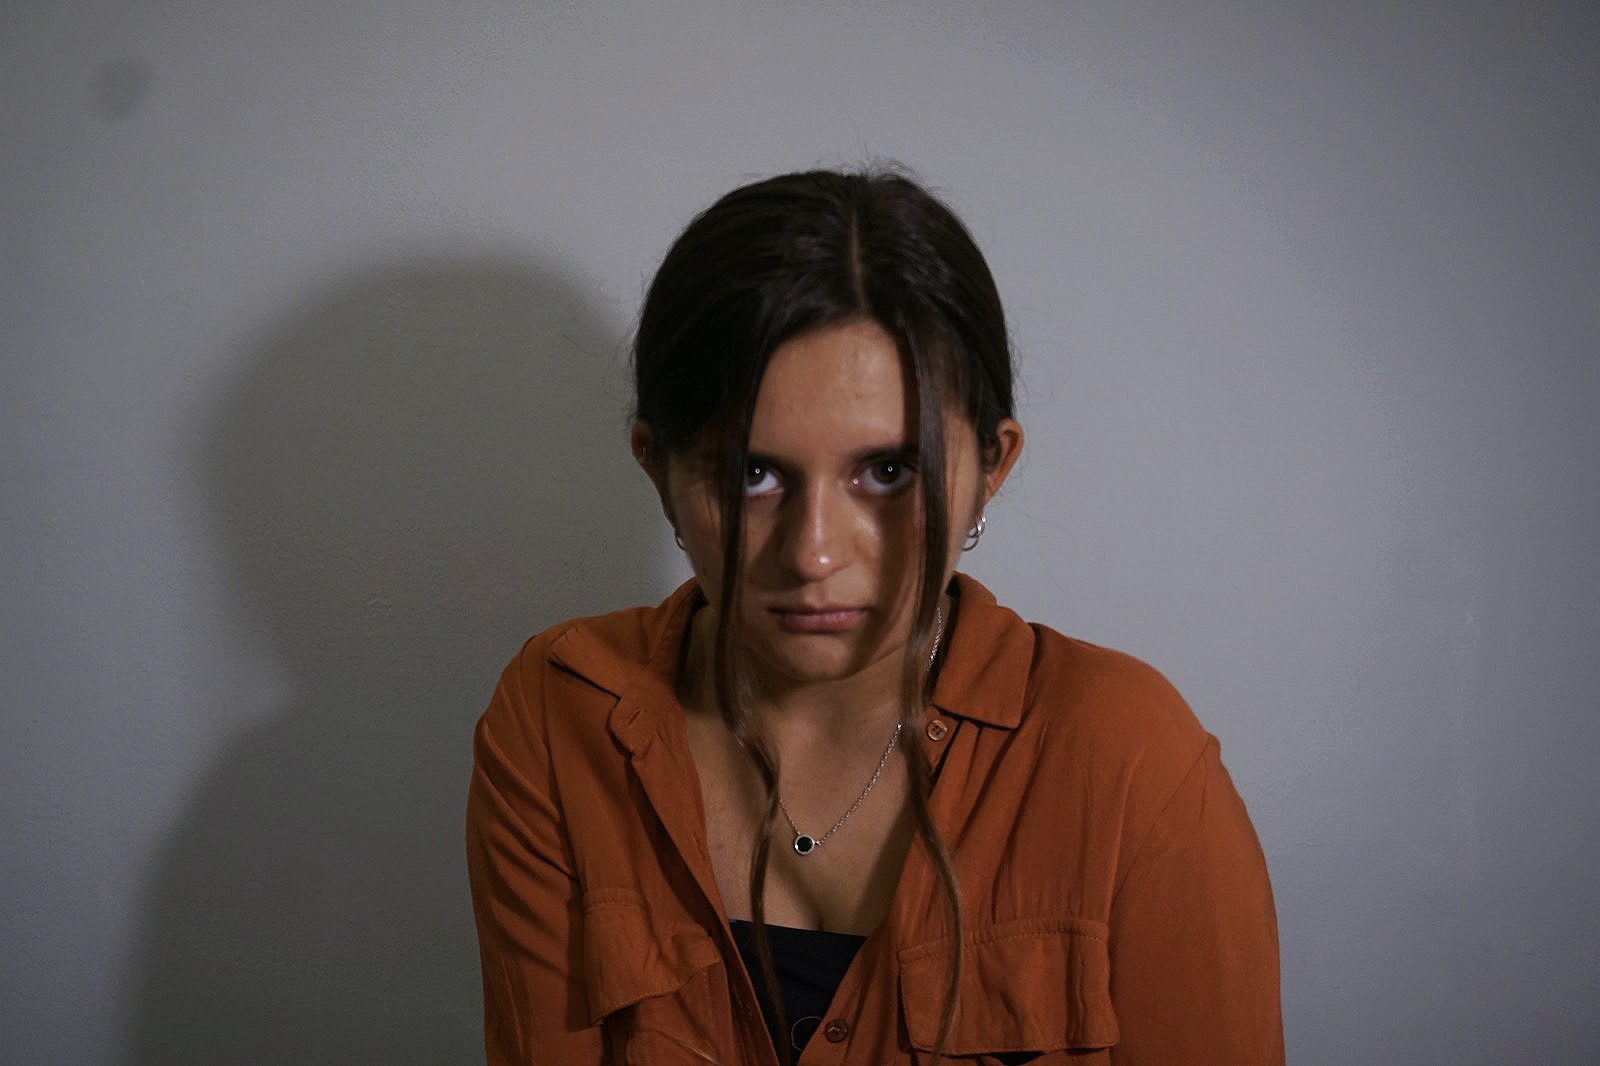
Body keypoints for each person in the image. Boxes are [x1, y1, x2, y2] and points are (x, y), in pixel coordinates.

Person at [465, 166, 1284, 1065]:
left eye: (888, 473)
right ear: (657, 467)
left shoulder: (1128, 761)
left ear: (991, 466)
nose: (813, 555)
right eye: (750, 474)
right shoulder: (562, 716)